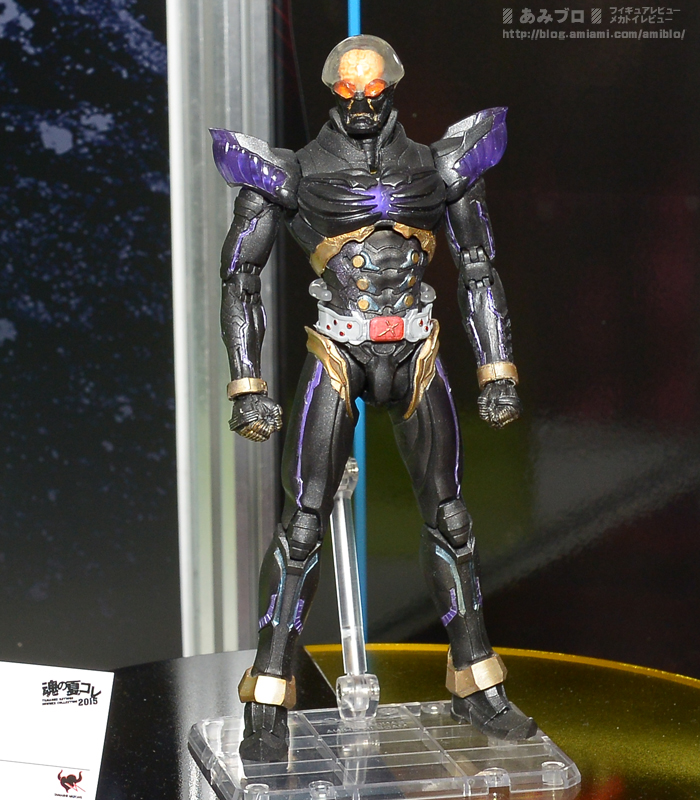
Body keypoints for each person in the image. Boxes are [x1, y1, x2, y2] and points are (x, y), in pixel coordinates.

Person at [211, 35, 536, 762]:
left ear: (392, 88)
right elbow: (241, 278)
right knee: (302, 528)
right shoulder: (293, 171)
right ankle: (268, 695)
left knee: (451, 519)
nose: (361, 103)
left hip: (416, 347)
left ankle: (477, 683)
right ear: (334, 92)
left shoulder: (440, 167)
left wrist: (497, 369)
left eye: (373, 90)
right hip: (338, 349)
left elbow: (478, 267)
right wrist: (247, 384)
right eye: (348, 92)